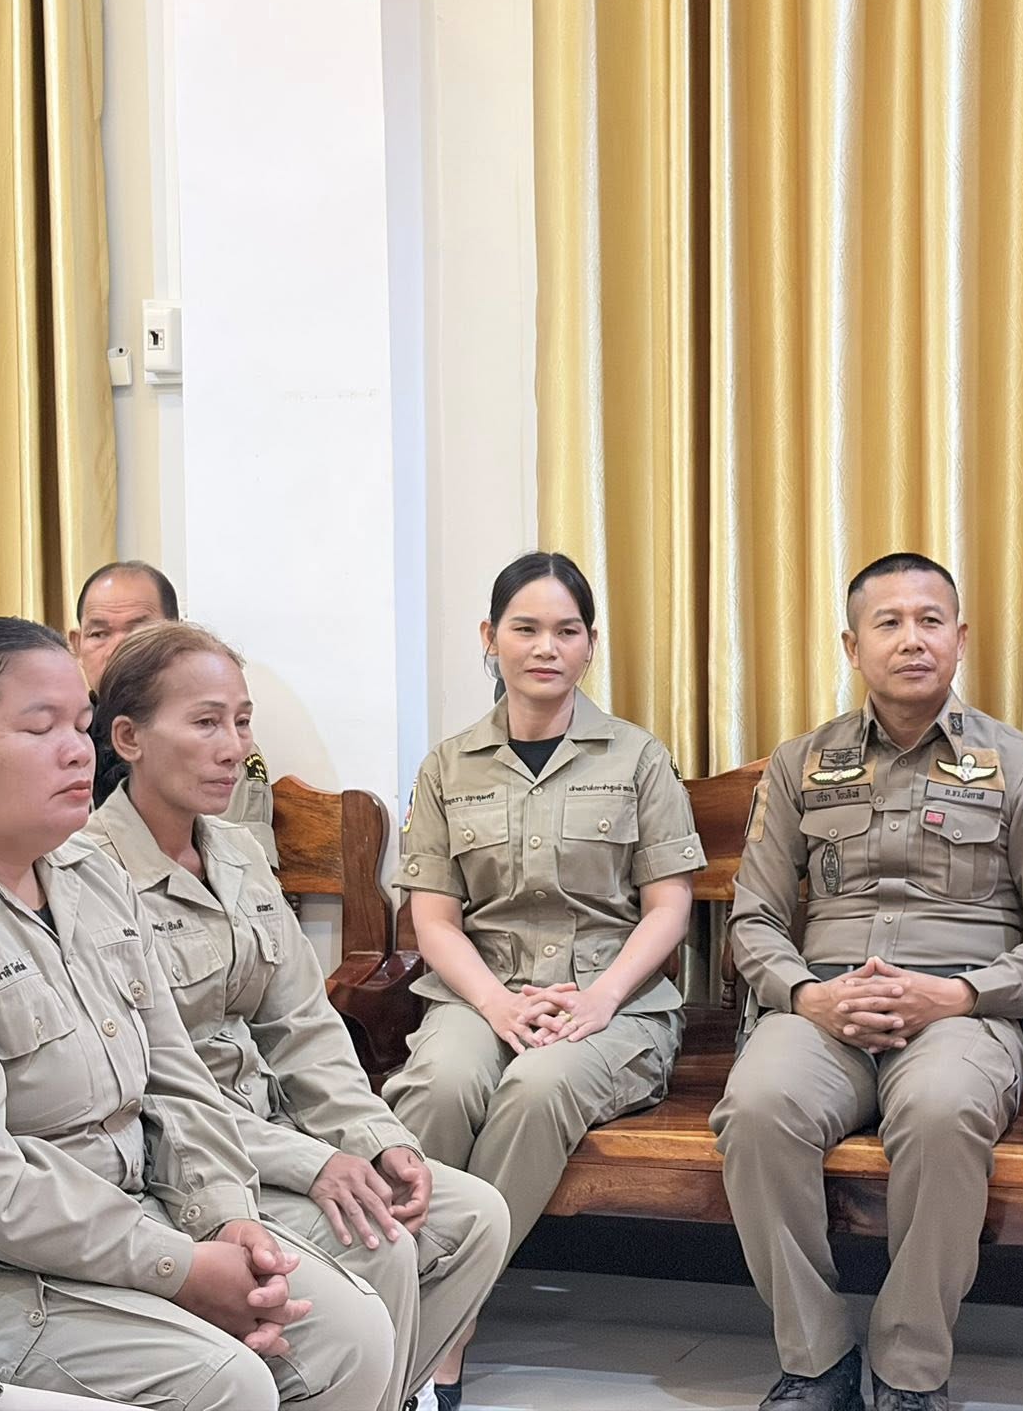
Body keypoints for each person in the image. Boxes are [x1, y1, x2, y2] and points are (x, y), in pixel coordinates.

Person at [0, 617, 393, 1411]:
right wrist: (178, 1268)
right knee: (222, 1381)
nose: (77, 752)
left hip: (111, 1221)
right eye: (40, 729)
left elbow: (174, 1078)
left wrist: (221, 1219)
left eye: (80, 725)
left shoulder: (82, 873)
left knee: (350, 1333)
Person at [87, 623, 510, 1411]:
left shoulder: (237, 853)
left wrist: (375, 1139)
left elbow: (303, 1028)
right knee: (380, 1241)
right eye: (205, 722)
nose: (233, 748)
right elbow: (154, 1085)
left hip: (272, 1132)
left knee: (475, 1216)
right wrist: (312, 1165)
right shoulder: (89, 873)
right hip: (180, 1160)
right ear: (128, 738)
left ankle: (383, 1396)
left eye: (242, 722)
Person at [710, 553, 1023, 1411]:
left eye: (930, 621)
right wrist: (807, 996)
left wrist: (957, 995)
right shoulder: (800, 766)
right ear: (853, 646)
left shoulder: (1022, 768)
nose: (911, 639)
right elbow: (754, 920)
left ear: (961, 638)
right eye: (888, 623)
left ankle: (908, 1371)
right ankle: (816, 1360)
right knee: (757, 1107)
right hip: (824, 1010)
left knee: (943, 1111)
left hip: (962, 1012)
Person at [385, 552, 705, 1406]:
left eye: (566, 631)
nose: (545, 647)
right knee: (440, 1085)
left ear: (590, 644)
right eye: (524, 629)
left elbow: (669, 907)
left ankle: (446, 1320)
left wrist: (600, 999)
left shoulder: (637, 757)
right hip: (480, 991)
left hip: (611, 999)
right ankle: (394, 1293)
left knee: (536, 1088)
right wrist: (494, 1003)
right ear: (490, 638)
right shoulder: (449, 766)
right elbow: (434, 919)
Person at [69, 560, 278, 865]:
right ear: (77, 644)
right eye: (99, 634)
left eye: (139, 630)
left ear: (174, 634)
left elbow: (239, 869)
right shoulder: (61, 745)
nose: (117, 648)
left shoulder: (226, 753)